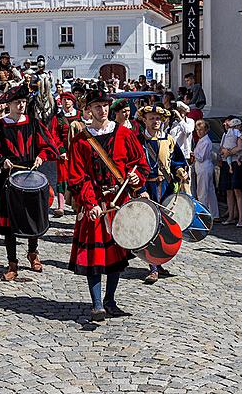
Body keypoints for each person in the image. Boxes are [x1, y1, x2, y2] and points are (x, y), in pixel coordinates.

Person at [68, 88, 149, 321]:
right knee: (94, 257)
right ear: (88, 110)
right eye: (97, 106)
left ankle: (110, 300)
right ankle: (97, 305)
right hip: (95, 205)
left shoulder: (125, 134)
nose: (102, 110)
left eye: (105, 106)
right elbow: (77, 175)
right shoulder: (81, 141)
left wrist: (136, 178)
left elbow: (139, 164)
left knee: (116, 255)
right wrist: (90, 202)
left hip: (120, 204)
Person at [0, 84, 58, 280]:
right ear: (9, 105)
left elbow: (49, 146)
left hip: (31, 176)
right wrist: (0, 160)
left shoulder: (33, 123)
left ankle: (33, 253)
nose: (21, 106)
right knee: (9, 224)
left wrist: (41, 156)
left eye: (23, 102)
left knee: (33, 217)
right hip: (9, 178)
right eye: (17, 103)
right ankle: (12, 263)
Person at [137, 105, 189, 284]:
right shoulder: (138, 140)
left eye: (158, 118)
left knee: (163, 226)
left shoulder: (169, 140)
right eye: (151, 118)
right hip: (146, 188)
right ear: (144, 120)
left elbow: (176, 161)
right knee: (149, 225)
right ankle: (152, 266)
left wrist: (181, 170)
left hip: (165, 186)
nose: (155, 121)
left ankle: (158, 262)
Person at [51, 92, 81, 217]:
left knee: (78, 177)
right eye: (64, 100)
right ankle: (61, 207)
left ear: (73, 102)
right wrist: (60, 150)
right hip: (64, 152)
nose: (66, 102)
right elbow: (54, 135)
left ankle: (77, 204)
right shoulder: (57, 118)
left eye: (68, 100)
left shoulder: (79, 115)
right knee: (62, 178)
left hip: (79, 152)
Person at [219, 117, 242, 227]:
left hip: (236, 163)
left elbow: (240, 147)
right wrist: (224, 152)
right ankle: (231, 216)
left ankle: (241, 219)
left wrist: (228, 152)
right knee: (229, 191)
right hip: (227, 163)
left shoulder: (238, 134)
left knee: (237, 190)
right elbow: (221, 148)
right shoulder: (226, 134)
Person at [194, 120, 219, 219]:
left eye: (201, 130)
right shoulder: (202, 140)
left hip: (203, 167)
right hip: (204, 167)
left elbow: (201, 157)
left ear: (206, 130)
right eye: (197, 130)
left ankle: (203, 215)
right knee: (210, 191)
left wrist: (193, 153)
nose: (199, 132)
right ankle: (214, 214)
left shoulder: (206, 141)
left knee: (202, 192)